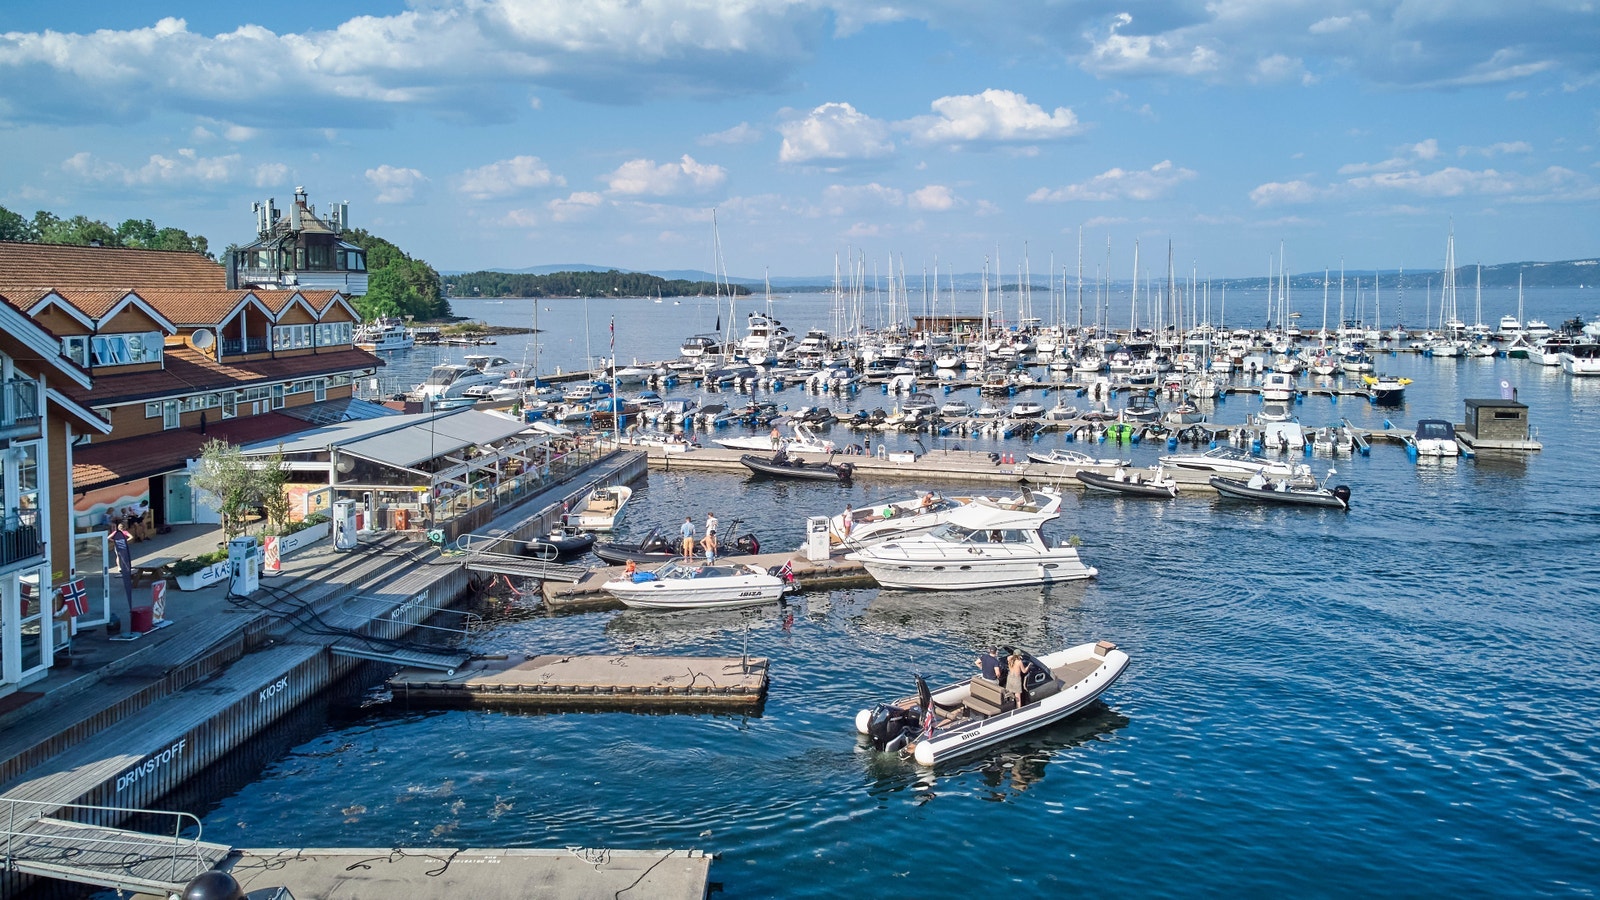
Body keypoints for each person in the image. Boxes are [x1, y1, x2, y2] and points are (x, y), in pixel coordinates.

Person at [111, 518, 135, 619]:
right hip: (119, 545)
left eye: (121, 526)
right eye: (120, 526)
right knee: (119, 556)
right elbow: (109, 537)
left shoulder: (122, 532)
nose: (120, 527)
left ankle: (121, 566)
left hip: (121, 545)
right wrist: (115, 540)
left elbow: (131, 537)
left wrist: (124, 540)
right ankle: (119, 567)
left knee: (121, 556)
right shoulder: (117, 533)